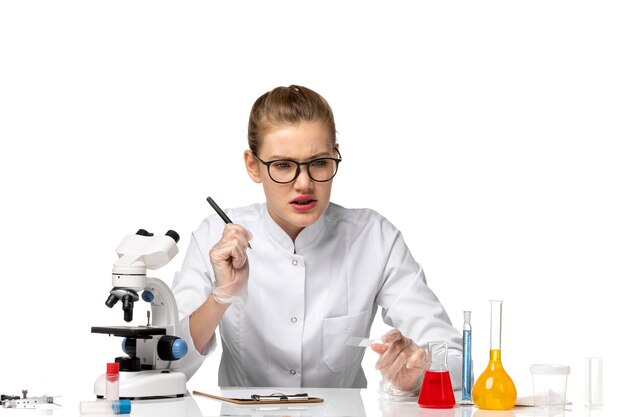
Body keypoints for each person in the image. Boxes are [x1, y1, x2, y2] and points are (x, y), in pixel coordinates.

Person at [172, 85, 462, 392]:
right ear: (253, 166)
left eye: (319, 162)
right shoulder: (215, 237)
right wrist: (222, 296)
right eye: (283, 165)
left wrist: (418, 370)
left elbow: (454, 357)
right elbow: (169, 364)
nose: (304, 183)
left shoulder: (374, 238)